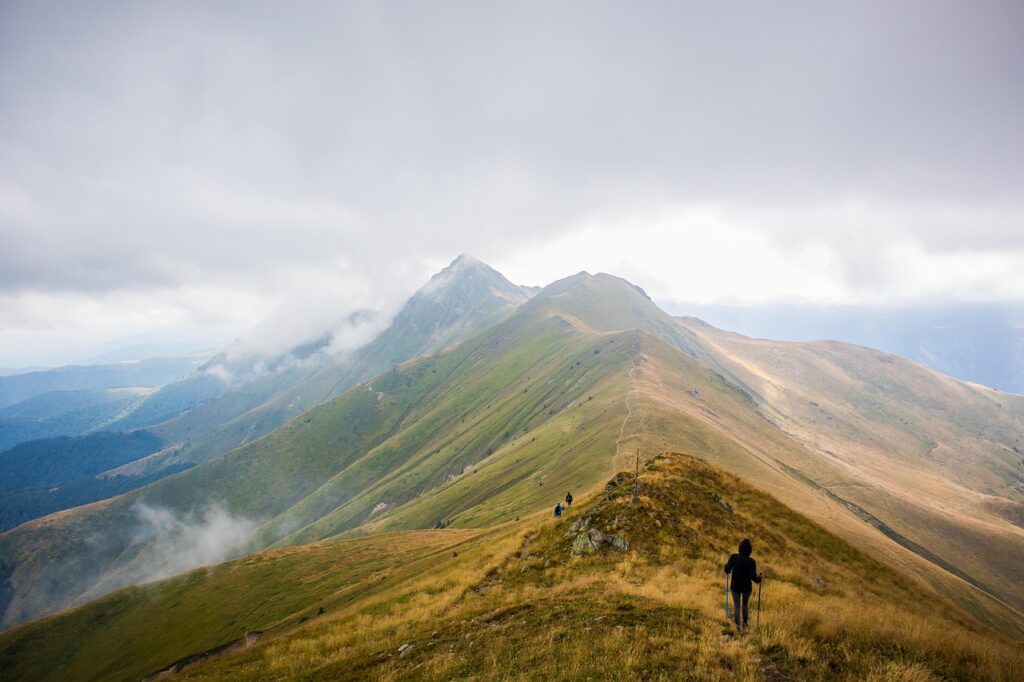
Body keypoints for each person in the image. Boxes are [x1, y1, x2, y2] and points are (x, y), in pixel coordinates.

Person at [724, 538, 762, 628]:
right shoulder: (751, 561)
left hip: (735, 586)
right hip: (746, 588)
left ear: (740, 548)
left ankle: (737, 625)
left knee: (737, 605)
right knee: (745, 604)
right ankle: (745, 623)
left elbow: (727, 571)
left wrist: (726, 565)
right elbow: (753, 578)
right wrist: (759, 578)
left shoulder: (733, 557)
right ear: (750, 550)